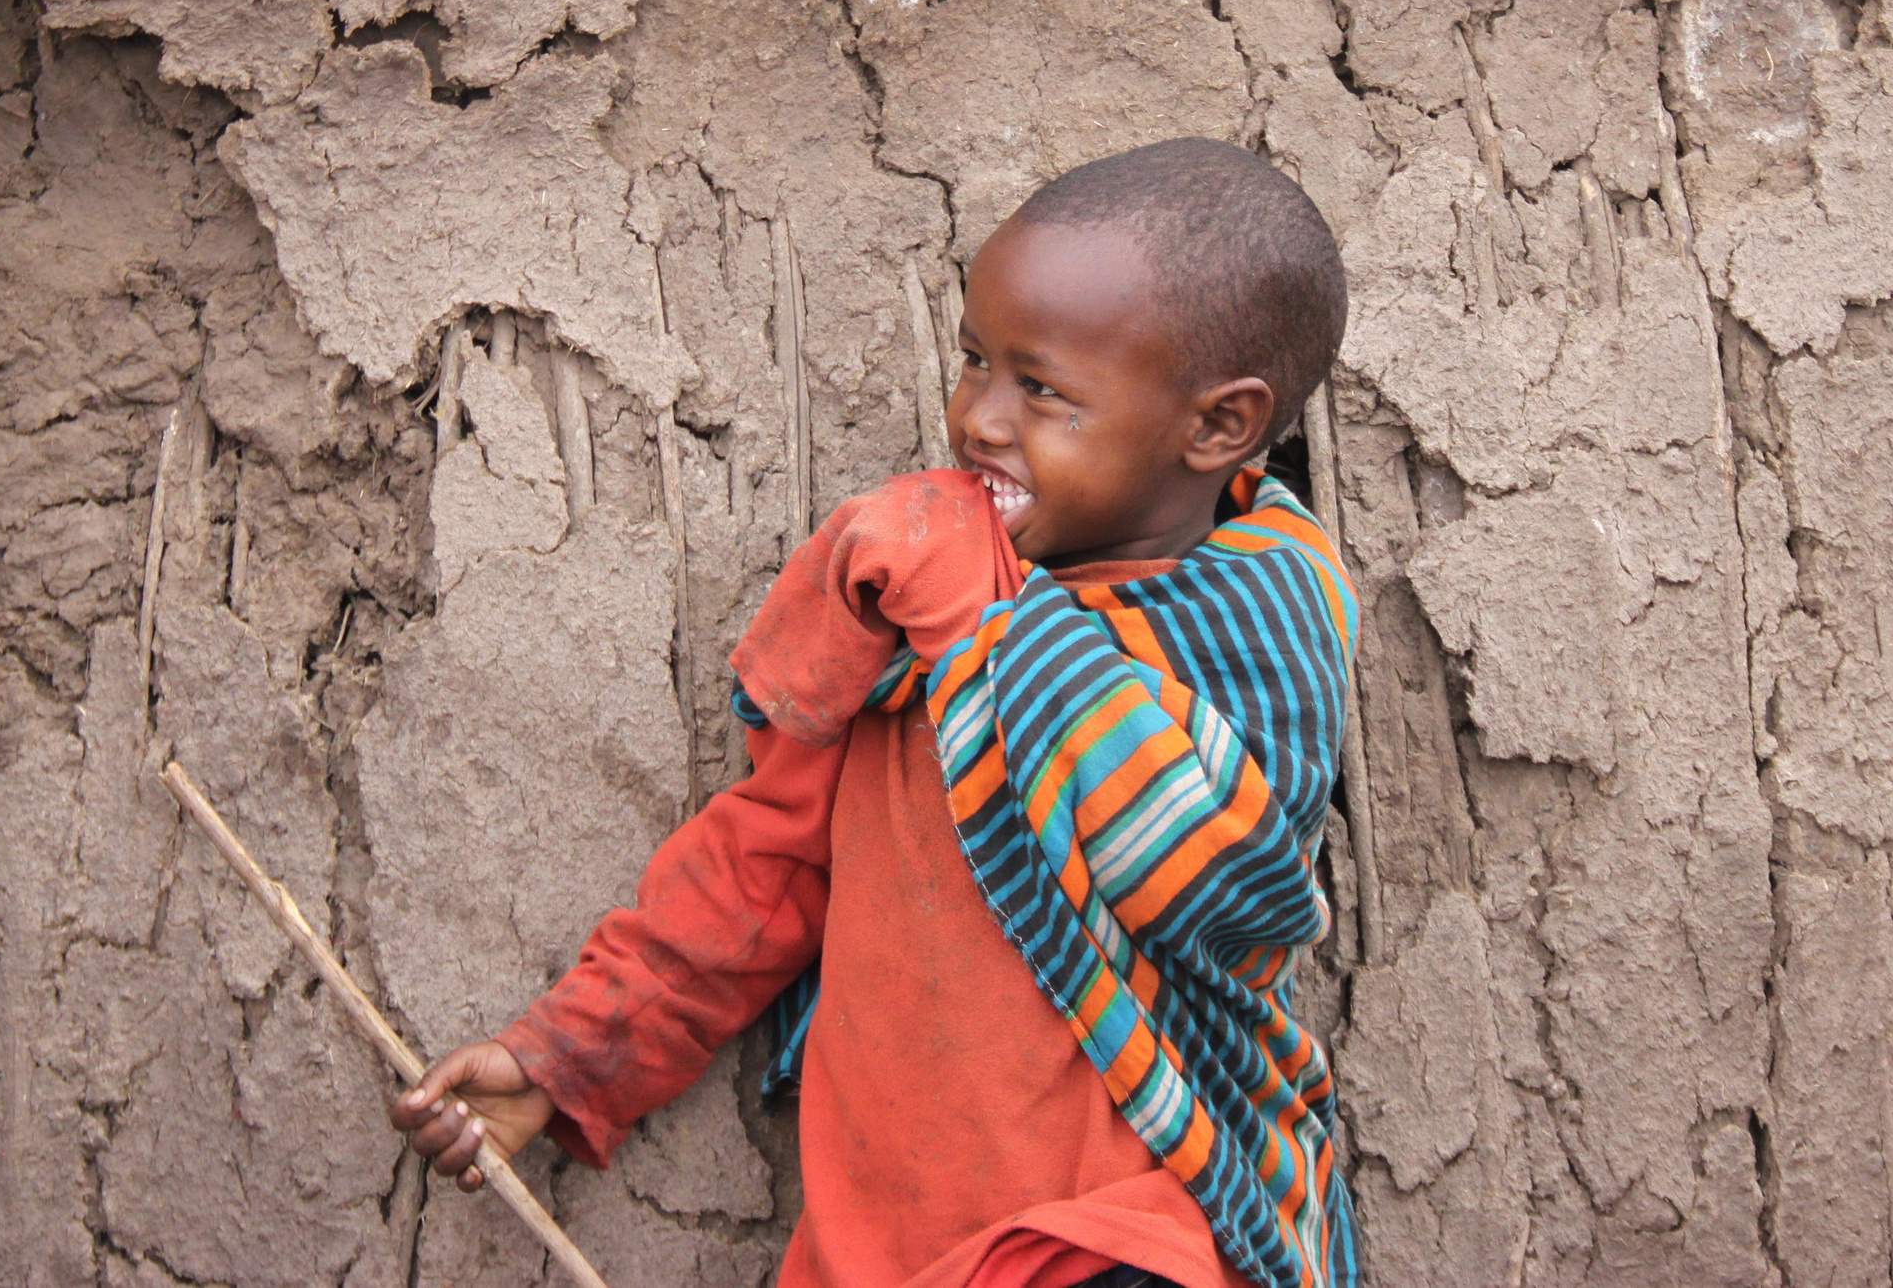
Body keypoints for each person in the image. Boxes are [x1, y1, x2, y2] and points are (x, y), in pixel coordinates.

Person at [393, 137, 1360, 1288]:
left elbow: (1220, 878)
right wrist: (570, 1058)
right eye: (971, 363)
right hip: (886, 1250)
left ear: (1216, 429)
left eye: (1042, 389)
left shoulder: (1253, 615)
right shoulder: (915, 632)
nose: (979, 421)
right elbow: (765, 868)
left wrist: (980, 627)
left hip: (1129, 1234)